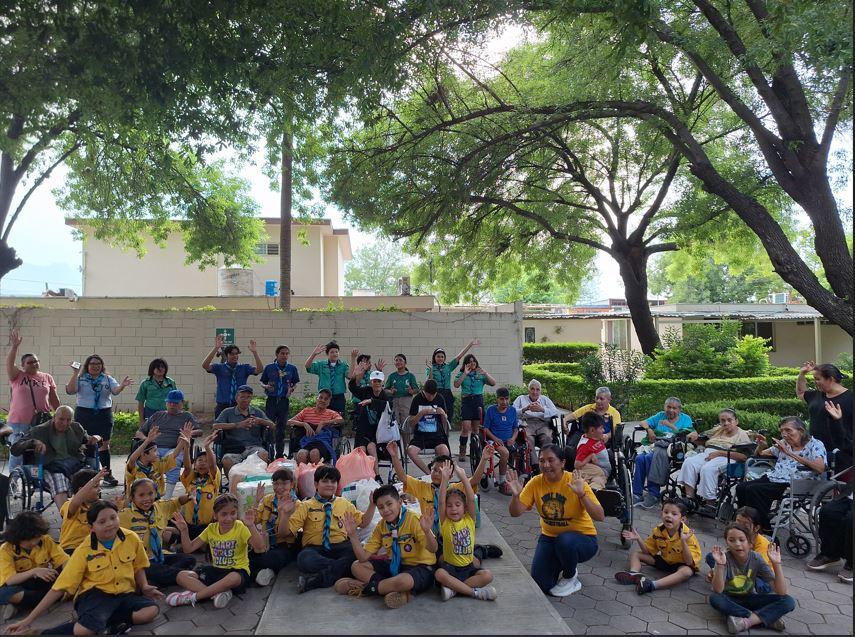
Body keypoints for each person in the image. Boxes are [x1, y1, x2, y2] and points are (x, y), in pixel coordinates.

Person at [6, 499, 161, 635]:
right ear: (91, 527)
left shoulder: (131, 538)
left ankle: (105, 624)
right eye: (102, 522)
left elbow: (139, 566)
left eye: (113, 518)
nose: (110, 524)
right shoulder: (84, 550)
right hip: (95, 596)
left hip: (124, 593)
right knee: (84, 631)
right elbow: (59, 588)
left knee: (150, 611)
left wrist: (144, 586)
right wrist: (28, 620)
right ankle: (40, 633)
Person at [507, 444, 604, 597]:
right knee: (542, 584)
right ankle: (564, 561)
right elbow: (515, 513)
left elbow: (600, 516)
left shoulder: (575, 481)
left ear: (562, 463)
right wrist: (515, 496)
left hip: (583, 540)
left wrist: (582, 495)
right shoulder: (535, 482)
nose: (546, 465)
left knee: (565, 541)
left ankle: (570, 576)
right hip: (550, 538)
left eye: (551, 460)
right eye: (542, 461)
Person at [334, 484, 437, 609]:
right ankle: (395, 590)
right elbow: (363, 557)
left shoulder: (414, 520)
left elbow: (433, 549)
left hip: (421, 567)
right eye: (381, 507)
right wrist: (353, 536)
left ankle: (366, 588)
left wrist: (427, 531)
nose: (386, 510)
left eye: (389, 504)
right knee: (357, 566)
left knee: (403, 581)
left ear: (399, 503)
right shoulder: (381, 526)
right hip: (396, 566)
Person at [283, 466, 376, 594]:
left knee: (356, 554)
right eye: (325, 481)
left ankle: (316, 580)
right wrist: (284, 515)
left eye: (333, 481)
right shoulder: (306, 506)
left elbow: (364, 522)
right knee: (304, 559)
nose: (329, 485)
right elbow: (287, 532)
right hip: (315, 549)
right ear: (316, 484)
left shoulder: (344, 503)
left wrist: (372, 505)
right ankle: (343, 568)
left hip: (341, 546)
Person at [166, 493, 266, 609]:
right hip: (216, 571)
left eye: (233, 513)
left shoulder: (240, 527)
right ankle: (217, 593)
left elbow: (260, 547)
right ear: (215, 515)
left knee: (233, 577)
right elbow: (188, 548)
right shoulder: (211, 529)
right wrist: (184, 531)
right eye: (224, 514)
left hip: (237, 572)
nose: (229, 518)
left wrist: (251, 526)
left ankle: (193, 597)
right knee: (181, 576)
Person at [736, 416, 827, 530]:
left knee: (754, 490)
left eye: (788, 430)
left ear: (801, 431)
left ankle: (764, 529)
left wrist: (789, 453)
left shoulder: (815, 444)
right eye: (782, 431)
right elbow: (760, 454)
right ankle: (745, 524)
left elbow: (820, 468)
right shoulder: (784, 443)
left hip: (796, 482)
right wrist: (761, 446)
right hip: (775, 477)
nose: (784, 434)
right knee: (741, 487)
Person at [708, 523, 795, 634]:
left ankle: (746, 621)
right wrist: (720, 565)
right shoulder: (724, 557)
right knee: (715, 598)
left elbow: (781, 591)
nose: (737, 544)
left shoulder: (756, 558)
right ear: (727, 542)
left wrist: (776, 564)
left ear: (750, 543)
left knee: (788, 601)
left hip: (750, 597)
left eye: (741, 540)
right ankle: (765, 618)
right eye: (731, 540)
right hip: (730, 599)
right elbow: (718, 590)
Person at [10, 405, 101, 509]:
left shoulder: (76, 428)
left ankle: (91, 512)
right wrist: (33, 442)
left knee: (87, 478)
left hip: (73, 465)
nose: (65, 423)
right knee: (59, 479)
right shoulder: (39, 431)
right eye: (61, 419)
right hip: (49, 466)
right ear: (54, 417)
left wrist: (97, 437)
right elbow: (15, 449)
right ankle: (67, 515)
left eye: (68, 420)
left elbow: (89, 440)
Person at [65, 354, 132, 487]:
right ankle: (85, 474)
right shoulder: (81, 378)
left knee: (104, 444)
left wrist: (122, 386)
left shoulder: (107, 378)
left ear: (102, 366)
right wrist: (75, 373)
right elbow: (70, 391)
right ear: (87, 366)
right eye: (92, 364)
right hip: (84, 414)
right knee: (85, 443)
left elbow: (115, 391)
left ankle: (107, 474)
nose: (95, 366)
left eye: (98, 364)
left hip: (103, 414)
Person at [434, 463, 497, 601]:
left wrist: (463, 477)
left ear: (465, 508)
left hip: (468, 568)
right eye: (450, 506)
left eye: (458, 505)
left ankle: (454, 589)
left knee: (488, 575)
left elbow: (471, 499)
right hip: (450, 568)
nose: (453, 509)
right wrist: (445, 479)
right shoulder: (445, 522)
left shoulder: (470, 520)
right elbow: (441, 502)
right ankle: (475, 593)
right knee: (439, 574)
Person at [119, 477, 197, 588]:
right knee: (149, 569)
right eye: (141, 495)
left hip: (159, 556)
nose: (147, 498)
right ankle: (175, 577)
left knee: (189, 559)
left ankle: (156, 580)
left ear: (156, 493)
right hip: (140, 561)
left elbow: (177, 501)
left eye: (150, 494)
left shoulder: (160, 507)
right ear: (132, 497)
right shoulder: (124, 515)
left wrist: (189, 496)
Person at [615, 499, 701, 595]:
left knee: (686, 572)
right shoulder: (658, 530)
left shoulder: (688, 535)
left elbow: (689, 562)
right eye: (666, 512)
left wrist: (683, 542)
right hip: (666, 561)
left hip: (682, 564)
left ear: (683, 519)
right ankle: (634, 574)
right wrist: (638, 538)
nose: (669, 516)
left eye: (674, 514)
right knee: (636, 554)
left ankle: (651, 585)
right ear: (661, 514)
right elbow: (647, 552)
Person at [5, 328, 60, 473]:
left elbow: (54, 399)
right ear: (23, 365)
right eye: (30, 362)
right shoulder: (17, 376)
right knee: (18, 452)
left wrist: (60, 416)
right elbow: (9, 364)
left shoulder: (47, 377)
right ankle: (15, 479)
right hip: (19, 423)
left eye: (36, 361)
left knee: (38, 451)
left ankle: (34, 478)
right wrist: (15, 347)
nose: (34, 364)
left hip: (41, 422)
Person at [0, 511, 69, 622]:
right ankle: (54, 597)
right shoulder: (5, 549)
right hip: (21, 585)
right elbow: (10, 580)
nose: (33, 542)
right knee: (4, 594)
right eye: (28, 539)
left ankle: (23, 605)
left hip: (44, 580)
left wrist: (66, 582)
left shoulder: (46, 540)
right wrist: (34, 572)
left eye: (36, 537)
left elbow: (64, 560)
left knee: (73, 576)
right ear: (18, 537)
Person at [134, 390, 202, 498]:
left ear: (182, 403)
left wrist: (188, 433)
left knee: (173, 460)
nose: (172, 405)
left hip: (175, 448)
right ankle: (149, 491)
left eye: (175, 403)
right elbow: (139, 432)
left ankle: (167, 496)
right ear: (166, 403)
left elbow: (200, 431)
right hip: (154, 448)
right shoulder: (158, 415)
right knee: (145, 459)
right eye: (169, 402)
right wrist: (147, 440)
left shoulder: (187, 416)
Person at [677, 408, 753, 505]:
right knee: (689, 463)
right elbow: (701, 439)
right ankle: (690, 499)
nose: (726, 423)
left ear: (736, 421)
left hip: (727, 456)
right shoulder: (718, 429)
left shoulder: (742, 435)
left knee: (707, 469)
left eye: (729, 420)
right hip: (708, 453)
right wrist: (694, 436)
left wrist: (719, 453)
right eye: (723, 420)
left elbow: (744, 457)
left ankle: (710, 503)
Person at [633, 397, 694, 508]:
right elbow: (643, 422)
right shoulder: (660, 415)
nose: (671, 410)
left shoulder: (685, 419)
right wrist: (649, 430)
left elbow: (686, 434)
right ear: (665, 407)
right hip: (656, 444)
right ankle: (637, 493)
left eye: (674, 408)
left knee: (650, 458)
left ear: (679, 409)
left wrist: (669, 425)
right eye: (668, 407)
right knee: (639, 458)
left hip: (673, 448)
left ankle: (653, 494)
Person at [797, 361, 852, 470]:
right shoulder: (816, 395)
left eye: (817, 379)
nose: (815, 382)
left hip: (841, 455)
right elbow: (800, 392)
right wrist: (802, 374)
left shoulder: (850, 398)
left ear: (831, 379)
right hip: (816, 453)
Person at [249, 469, 300, 587]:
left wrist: (284, 514)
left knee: (273, 558)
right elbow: (254, 521)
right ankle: (262, 573)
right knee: (246, 555)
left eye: (284, 483)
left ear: (292, 484)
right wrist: (257, 501)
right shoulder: (268, 500)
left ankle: (258, 573)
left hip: (284, 546)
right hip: (265, 544)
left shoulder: (297, 505)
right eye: (276, 483)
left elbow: (284, 534)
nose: (279, 487)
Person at [705, 507, 773, 593]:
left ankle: (736, 586)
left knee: (759, 584)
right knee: (711, 557)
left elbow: (756, 567)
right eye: (738, 522)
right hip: (737, 566)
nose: (740, 527)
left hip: (757, 575)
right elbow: (730, 554)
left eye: (745, 524)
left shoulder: (763, 544)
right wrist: (718, 568)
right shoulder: (734, 534)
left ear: (756, 528)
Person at [213, 385, 274, 476]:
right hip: (233, 448)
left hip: (254, 447)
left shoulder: (257, 412)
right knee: (227, 460)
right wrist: (237, 425)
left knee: (263, 454)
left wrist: (260, 421)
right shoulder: (228, 412)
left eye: (248, 397)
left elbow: (273, 426)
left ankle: (255, 480)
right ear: (236, 398)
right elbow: (215, 426)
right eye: (242, 397)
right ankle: (234, 483)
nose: (245, 400)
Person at [125, 422, 195, 501]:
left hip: (155, 502)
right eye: (154, 451)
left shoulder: (157, 464)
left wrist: (183, 440)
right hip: (137, 503)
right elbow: (132, 459)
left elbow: (173, 455)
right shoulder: (134, 467)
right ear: (143, 454)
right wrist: (147, 441)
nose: (157, 453)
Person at [349, 366, 394, 483]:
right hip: (364, 430)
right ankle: (363, 477)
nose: (376, 383)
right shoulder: (366, 391)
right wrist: (355, 376)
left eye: (379, 381)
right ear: (371, 382)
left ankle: (377, 476)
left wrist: (371, 401)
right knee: (361, 449)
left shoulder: (386, 395)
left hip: (380, 432)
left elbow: (387, 406)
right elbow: (353, 388)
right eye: (374, 381)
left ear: (382, 383)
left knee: (371, 447)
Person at [202, 334, 263, 417]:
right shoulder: (220, 367)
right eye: (232, 354)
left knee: (240, 425)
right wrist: (216, 348)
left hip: (239, 405)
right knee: (221, 425)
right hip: (222, 405)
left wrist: (255, 353)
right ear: (226, 355)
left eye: (236, 354)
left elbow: (259, 370)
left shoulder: (244, 367)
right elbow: (205, 365)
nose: (235, 356)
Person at [426, 339, 479, 432]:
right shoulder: (431, 367)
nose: (440, 358)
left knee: (447, 417)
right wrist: (430, 369)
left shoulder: (448, 366)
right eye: (438, 356)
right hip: (436, 393)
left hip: (447, 394)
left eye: (442, 357)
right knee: (436, 416)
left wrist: (470, 344)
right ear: (434, 357)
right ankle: (435, 436)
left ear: (444, 358)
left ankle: (445, 436)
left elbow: (459, 356)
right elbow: (429, 382)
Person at [453, 354, 496, 462]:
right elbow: (456, 385)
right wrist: (465, 373)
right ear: (465, 364)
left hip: (477, 401)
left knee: (476, 429)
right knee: (465, 427)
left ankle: (475, 450)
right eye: (469, 361)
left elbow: (493, 383)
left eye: (473, 361)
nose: (472, 363)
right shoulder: (462, 373)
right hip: (467, 401)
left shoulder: (480, 374)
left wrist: (485, 373)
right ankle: (462, 451)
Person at [260, 345, 300, 459]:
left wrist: (292, 389)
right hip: (272, 400)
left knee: (281, 429)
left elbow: (295, 383)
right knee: (269, 427)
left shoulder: (292, 368)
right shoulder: (269, 368)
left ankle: (279, 455)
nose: (285, 356)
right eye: (282, 353)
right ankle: (269, 453)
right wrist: (266, 386)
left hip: (284, 400)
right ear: (277, 354)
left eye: (287, 353)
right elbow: (262, 382)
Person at [806, 486, 853, 583]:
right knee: (828, 511)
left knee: (851, 520)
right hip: (850, 496)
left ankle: (851, 564)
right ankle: (830, 554)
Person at [178, 433, 221, 539]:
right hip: (189, 525)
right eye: (200, 460)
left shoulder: (213, 480)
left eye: (206, 461)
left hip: (207, 526)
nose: (203, 463)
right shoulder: (190, 480)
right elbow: (187, 467)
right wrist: (186, 447)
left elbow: (212, 465)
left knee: (202, 543)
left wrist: (207, 447)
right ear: (195, 465)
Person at [513, 379, 561, 471]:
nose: (535, 392)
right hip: (527, 423)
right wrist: (525, 409)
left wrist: (542, 409)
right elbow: (512, 411)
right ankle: (536, 466)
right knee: (528, 439)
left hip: (543, 423)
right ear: (528, 390)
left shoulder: (545, 399)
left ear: (540, 391)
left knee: (547, 437)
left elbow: (556, 412)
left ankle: (542, 462)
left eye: (537, 389)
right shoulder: (521, 398)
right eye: (532, 389)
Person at [406, 379, 451, 475]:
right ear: (424, 391)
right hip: (420, 436)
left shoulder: (439, 398)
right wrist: (421, 413)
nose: (431, 397)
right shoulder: (417, 399)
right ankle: (429, 473)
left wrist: (443, 414)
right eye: (429, 395)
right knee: (411, 451)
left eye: (433, 395)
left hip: (437, 435)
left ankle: (438, 472)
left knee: (445, 452)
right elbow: (411, 423)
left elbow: (444, 422)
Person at [59, 468, 108, 554]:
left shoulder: (100, 505)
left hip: (92, 549)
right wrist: (93, 481)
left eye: (99, 486)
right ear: (81, 490)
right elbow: (76, 502)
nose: (99, 490)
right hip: (71, 549)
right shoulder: (69, 504)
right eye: (95, 486)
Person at [287, 389, 345, 462]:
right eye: (321, 397)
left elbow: (341, 420)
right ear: (316, 399)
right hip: (307, 440)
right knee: (301, 454)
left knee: (314, 453)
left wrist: (324, 423)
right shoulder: (306, 411)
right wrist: (304, 424)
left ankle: (316, 469)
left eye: (326, 399)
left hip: (323, 442)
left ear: (328, 403)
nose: (322, 400)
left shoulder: (331, 413)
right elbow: (289, 422)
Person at [483, 387, 521, 495]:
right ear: (497, 399)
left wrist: (513, 438)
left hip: (509, 440)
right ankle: (502, 481)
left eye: (506, 399)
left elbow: (516, 428)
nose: (504, 402)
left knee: (523, 449)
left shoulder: (512, 410)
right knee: (505, 453)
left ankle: (519, 476)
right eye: (502, 399)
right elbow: (485, 429)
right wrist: (495, 438)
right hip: (495, 440)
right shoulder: (491, 410)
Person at [305, 341, 351, 417]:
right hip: (324, 397)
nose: (335, 354)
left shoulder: (343, 365)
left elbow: (350, 376)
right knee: (323, 418)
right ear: (327, 354)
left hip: (338, 397)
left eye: (336, 352)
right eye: (332, 352)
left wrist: (353, 358)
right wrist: (314, 354)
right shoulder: (321, 364)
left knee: (338, 419)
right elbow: (307, 366)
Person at [384, 354, 419, 445]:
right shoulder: (392, 376)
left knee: (406, 427)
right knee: (394, 427)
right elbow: (385, 390)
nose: (398, 362)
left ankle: (407, 450)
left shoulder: (410, 376)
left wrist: (411, 391)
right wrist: (390, 391)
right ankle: (395, 451)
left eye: (400, 360)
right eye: (396, 360)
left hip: (407, 402)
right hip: (395, 402)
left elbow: (416, 389)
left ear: (405, 362)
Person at [135, 358, 177, 424]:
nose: (160, 369)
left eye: (162, 367)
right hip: (150, 412)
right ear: (152, 369)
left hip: (167, 412)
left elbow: (176, 400)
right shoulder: (145, 383)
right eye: (157, 367)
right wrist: (141, 420)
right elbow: (141, 402)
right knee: (151, 430)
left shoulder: (171, 382)